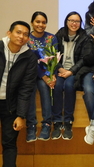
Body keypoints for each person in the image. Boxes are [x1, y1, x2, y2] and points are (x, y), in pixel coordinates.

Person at [0, 21, 37, 166]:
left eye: (26, 34)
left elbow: (26, 89)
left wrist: (21, 115)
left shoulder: (30, 57)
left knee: (9, 144)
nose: (21, 36)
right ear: (9, 33)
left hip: (11, 106)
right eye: (18, 32)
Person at [52, 11, 88, 140]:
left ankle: (67, 122)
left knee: (69, 86)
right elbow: (53, 54)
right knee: (57, 87)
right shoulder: (59, 34)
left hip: (74, 71)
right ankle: (56, 121)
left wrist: (71, 71)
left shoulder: (84, 36)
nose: (74, 23)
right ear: (66, 22)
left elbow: (83, 59)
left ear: (80, 23)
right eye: (71, 20)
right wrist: (60, 69)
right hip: (60, 69)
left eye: (77, 21)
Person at [26, 11, 58, 142]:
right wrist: (43, 76)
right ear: (32, 23)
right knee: (29, 90)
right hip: (29, 74)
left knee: (45, 89)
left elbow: (55, 59)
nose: (41, 24)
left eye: (43, 22)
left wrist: (52, 75)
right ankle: (31, 125)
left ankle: (46, 124)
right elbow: (29, 61)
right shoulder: (26, 38)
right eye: (38, 22)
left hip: (47, 74)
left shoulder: (51, 38)